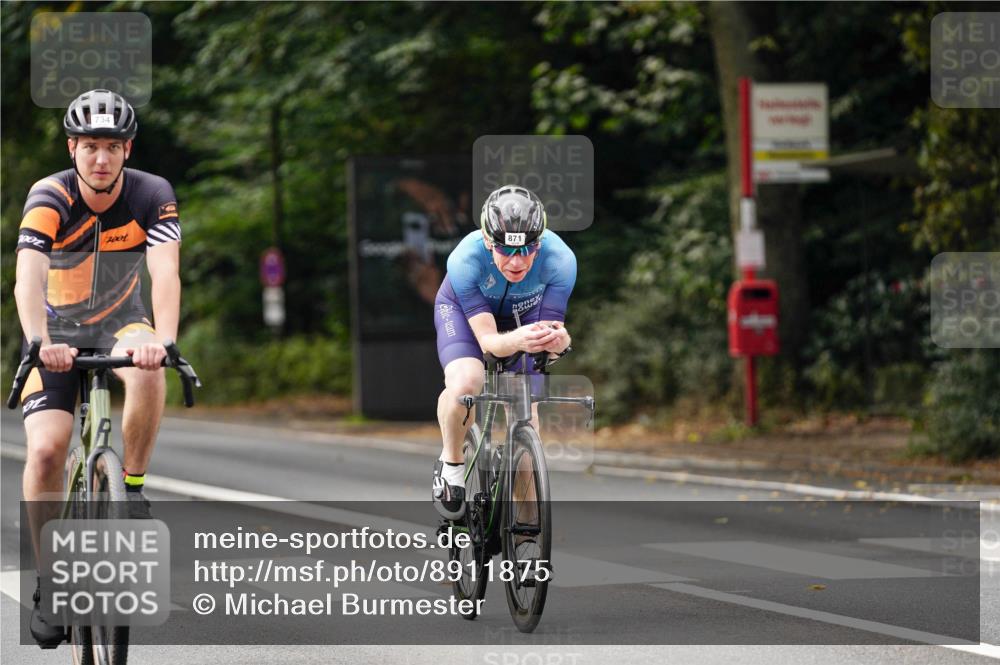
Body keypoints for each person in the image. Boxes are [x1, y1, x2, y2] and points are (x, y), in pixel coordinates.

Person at [14, 89, 183, 648]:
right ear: (72, 148)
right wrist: (39, 341)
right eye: (90, 146)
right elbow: (28, 277)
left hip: (122, 322)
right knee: (46, 451)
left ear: (128, 148)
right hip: (55, 332)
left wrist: (165, 339)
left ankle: (130, 489)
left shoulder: (152, 194)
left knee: (149, 368)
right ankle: (50, 583)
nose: (102, 158)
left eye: (112, 146)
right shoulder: (49, 195)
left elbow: (165, 272)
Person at [431, 186, 575, 519]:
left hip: (524, 317)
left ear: (539, 242)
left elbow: (549, 343)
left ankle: (524, 534)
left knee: (527, 416)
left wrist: (558, 344)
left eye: (527, 249)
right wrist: (521, 339)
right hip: (464, 315)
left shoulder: (561, 261)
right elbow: (489, 343)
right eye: (505, 250)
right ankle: (451, 464)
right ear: (487, 241)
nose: (516, 261)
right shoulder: (465, 260)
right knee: (466, 383)